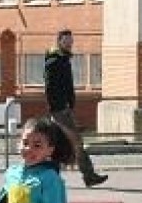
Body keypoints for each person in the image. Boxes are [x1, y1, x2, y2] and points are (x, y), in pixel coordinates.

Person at [44, 29, 107, 187]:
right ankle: (89, 175)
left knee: (61, 143)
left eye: (71, 40)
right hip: (59, 109)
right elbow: (49, 87)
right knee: (76, 142)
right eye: (66, 41)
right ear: (59, 42)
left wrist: (70, 104)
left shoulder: (64, 60)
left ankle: (50, 176)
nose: (70, 43)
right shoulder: (54, 62)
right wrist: (56, 107)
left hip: (65, 108)